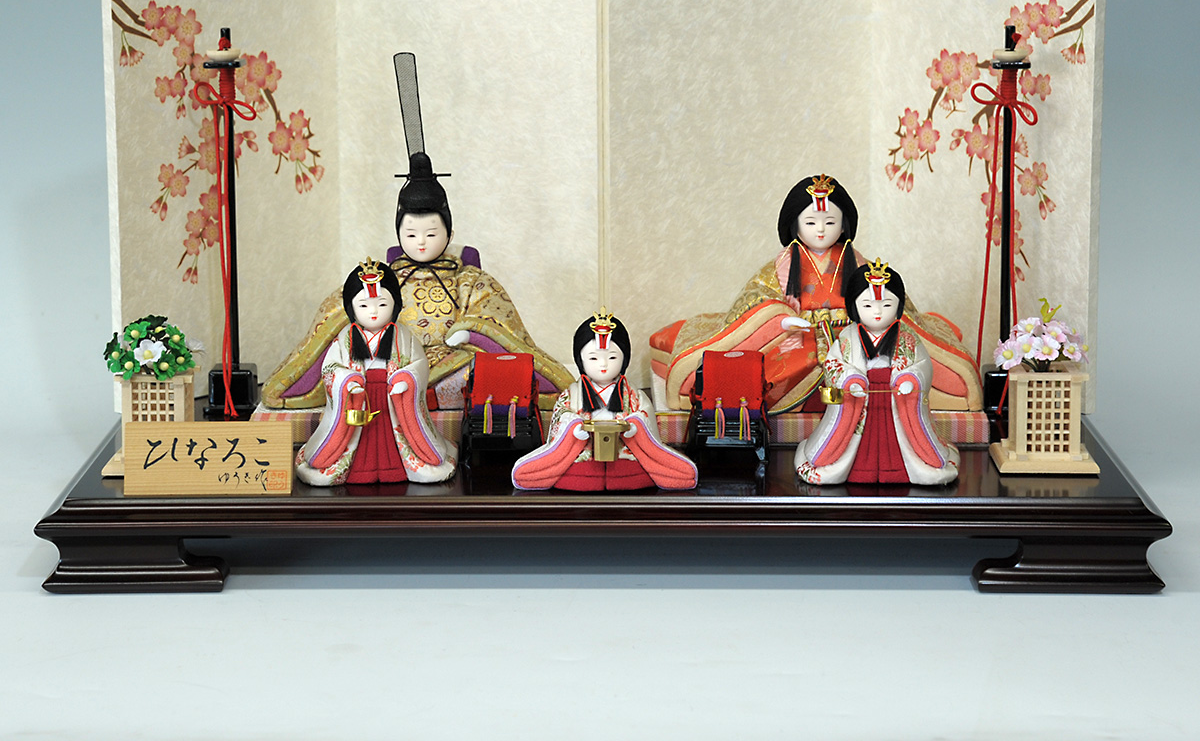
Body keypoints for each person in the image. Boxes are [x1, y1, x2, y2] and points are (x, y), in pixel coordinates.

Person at [262, 151, 574, 413]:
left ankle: (421, 397)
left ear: (449, 234)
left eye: (431, 233)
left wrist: (470, 332)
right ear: (398, 234)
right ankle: (398, 395)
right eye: (411, 234)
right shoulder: (383, 277)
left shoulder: (468, 279)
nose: (421, 242)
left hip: (451, 360)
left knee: (480, 374)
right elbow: (340, 309)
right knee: (361, 370)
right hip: (392, 357)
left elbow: (497, 322)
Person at [651, 173, 981, 415]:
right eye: (811, 222)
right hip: (798, 333)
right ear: (795, 226)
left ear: (844, 225)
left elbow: (885, 296)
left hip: (852, 331)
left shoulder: (855, 261)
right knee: (791, 366)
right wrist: (781, 320)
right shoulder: (784, 263)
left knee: (869, 360)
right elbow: (757, 297)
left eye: (829, 222)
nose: (821, 230)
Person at [795, 260, 959, 486]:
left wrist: (910, 380)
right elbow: (833, 365)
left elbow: (923, 366)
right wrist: (850, 381)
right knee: (860, 447)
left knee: (897, 442)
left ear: (899, 306)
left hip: (895, 402)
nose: (878, 312)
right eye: (868, 305)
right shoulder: (847, 338)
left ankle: (898, 471)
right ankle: (859, 470)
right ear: (854, 307)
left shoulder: (907, 338)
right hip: (859, 401)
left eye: (887, 305)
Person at [295, 258, 457, 486]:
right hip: (359, 397)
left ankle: (395, 468)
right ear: (351, 308)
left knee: (391, 439)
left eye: (382, 304)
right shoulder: (344, 338)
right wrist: (347, 382)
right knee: (362, 440)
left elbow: (419, 365)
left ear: (395, 305)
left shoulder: (404, 336)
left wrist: (406, 380)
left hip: (392, 399)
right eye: (363, 306)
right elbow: (331, 368)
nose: (373, 312)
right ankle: (358, 470)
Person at [512, 312, 698, 492]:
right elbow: (562, 416)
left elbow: (644, 417)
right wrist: (573, 427)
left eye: (612, 357)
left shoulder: (634, 395)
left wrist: (635, 427)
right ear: (580, 360)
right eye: (593, 358)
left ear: (624, 359)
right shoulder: (572, 394)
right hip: (583, 457)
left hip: (624, 456)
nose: (603, 364)